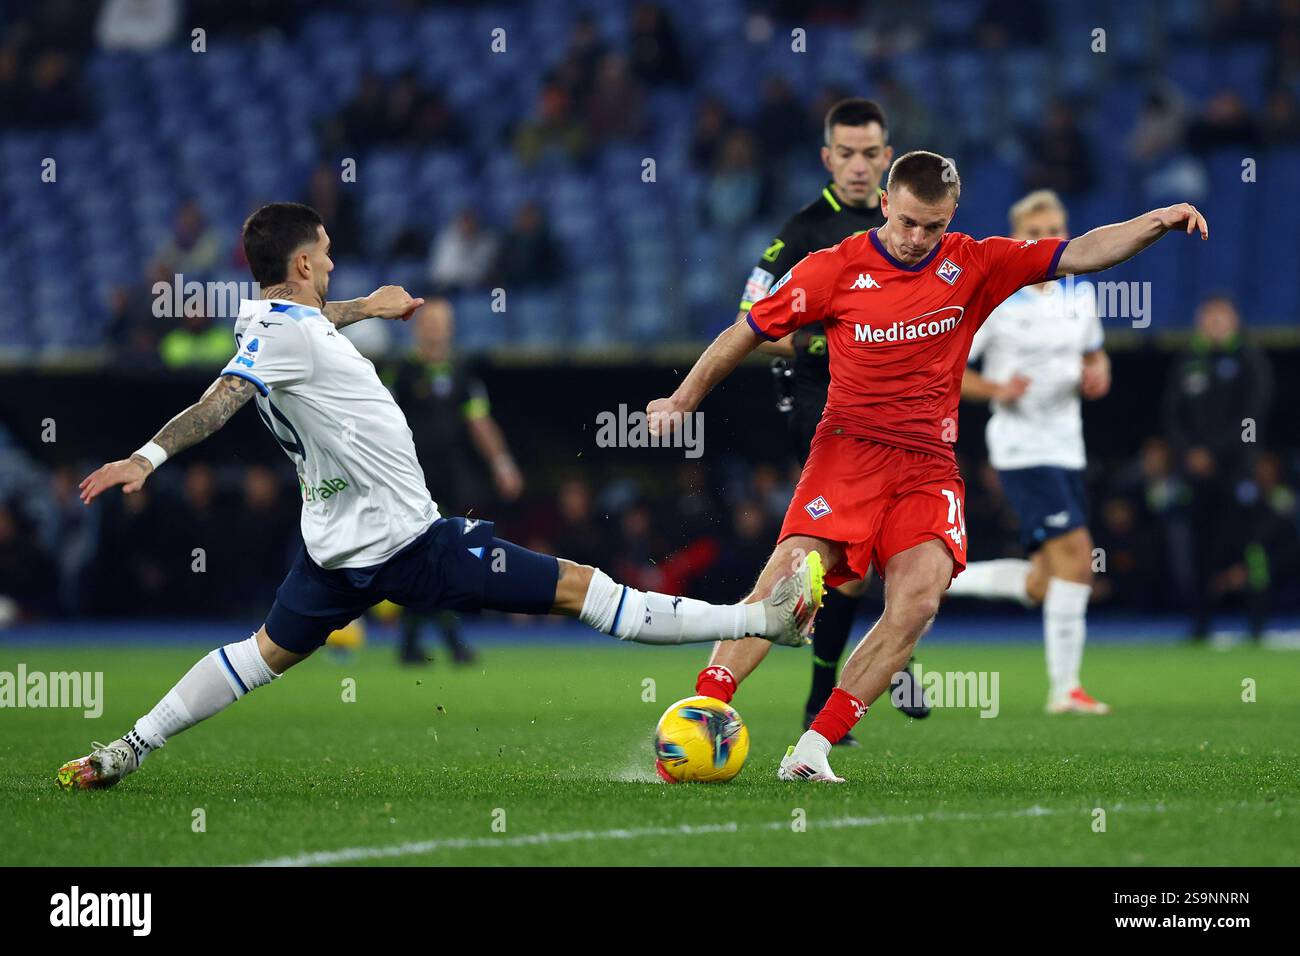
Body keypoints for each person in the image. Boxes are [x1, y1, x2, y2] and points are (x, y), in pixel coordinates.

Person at [57, 202, 822, 791]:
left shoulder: (272, 316)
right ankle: (763, 620)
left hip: (336, 554)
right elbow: (221, 398)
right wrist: (147, 455)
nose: (332, 263)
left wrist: (369, 307)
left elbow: (310, 322)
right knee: (582, 589)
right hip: (410, 544)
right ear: (299, 262)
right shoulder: (277, 340)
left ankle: (130, 746)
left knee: (259, 656)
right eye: (324, 254)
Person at [647, 151, 1209, 783]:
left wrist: (1155, 221)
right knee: (782, 589)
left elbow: (1079, 252)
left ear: (951, 218)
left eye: (933, 227)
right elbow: (747, 330)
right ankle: (706, 707)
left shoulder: (975, 262)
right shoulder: (832, 268)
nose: (918, 240)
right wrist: (682, 399)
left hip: (927, 468)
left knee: (916, 603)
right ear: (886, 204)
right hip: (847, 455)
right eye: (909, 222)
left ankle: (812, 751)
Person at [737, 97, 928, 738]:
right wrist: (828, 339)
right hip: (823, 405)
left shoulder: (905, 225)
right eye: (845, 153)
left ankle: (866, 666)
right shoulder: (800, 231)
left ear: (887, 156)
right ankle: (840, 687)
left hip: (902, 408)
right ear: (827, 158)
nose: (857, 165)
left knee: (879, 550)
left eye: (870, 153)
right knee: (850, 553)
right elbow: (751, 322)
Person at [948, 189, 1112, 714]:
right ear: (1020, 237)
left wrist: (1098, 374)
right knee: (1079, 560)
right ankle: (1066, 690)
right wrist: (997, 390)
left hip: (1069, 445)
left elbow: (1095, 353)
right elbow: (951, 367)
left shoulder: (1078, 294)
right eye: (1037, 231)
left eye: (1056, 229)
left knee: (1046, 581)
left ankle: (936, 579)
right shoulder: (994, 298)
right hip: (1022, 448)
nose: (1048, 238)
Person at [389, 298, 524, 665]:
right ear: (419, 327)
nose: (436, 328)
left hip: (455, 480)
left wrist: (502, 463)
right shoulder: (401, 372)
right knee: (435, 559)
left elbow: (479, 422)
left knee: (442, 561)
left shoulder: (463, 373)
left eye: (443, 322)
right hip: (412, 480)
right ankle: (448, 643)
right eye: (430, 321)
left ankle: (413, 644)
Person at [1163, 294, 1274, 640]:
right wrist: (1190, 454)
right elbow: (1171, 416)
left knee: (1248, 546)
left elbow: (1253, 416)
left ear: (1234, 321)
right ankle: (1200, 624)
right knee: (1199, 550)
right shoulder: (1188, 362)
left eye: (1221, 318)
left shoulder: (1250, 360)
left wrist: (1214, 452)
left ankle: (1257, 624)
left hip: (1236, 471)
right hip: (1196, 476)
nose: (1214, 324)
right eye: (1208, 318)